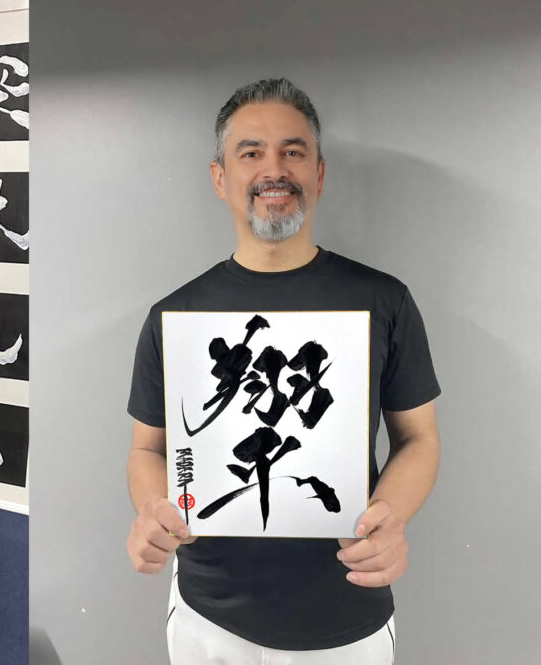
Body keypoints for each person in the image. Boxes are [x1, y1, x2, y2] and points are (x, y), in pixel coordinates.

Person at [125, 78, 441, 664]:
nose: (275, 169)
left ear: (318, 174)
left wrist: (389, 519)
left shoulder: (384, 301)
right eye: (251, 153)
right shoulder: (174, 315)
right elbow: (149, 450)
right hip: (206, 614)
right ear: (220, 178)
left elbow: (418, 439)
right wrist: (153, 512)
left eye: (293, 152)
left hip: (346, 615)